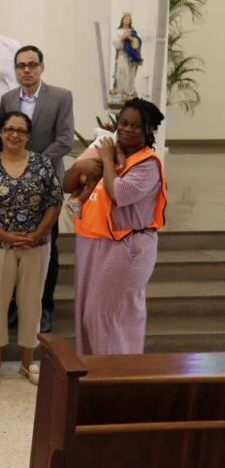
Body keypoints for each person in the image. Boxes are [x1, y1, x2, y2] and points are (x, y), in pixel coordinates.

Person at [65, 99, 166, 356]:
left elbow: (119, 193)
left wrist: (108, 160)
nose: (127, 129)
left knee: (106, 315)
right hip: (94, 240)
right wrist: (81, 165)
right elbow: (68, 184)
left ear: (148, 130)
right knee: (87, 314)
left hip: (127, 246)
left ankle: (116, 380)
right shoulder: (104, 150)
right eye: (123, 123)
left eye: (135, 126)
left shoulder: (148, 163)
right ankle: (91, 375)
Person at [0, 112, 62, 386]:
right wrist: (5, 235)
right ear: (0, 132)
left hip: (36, 245)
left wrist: (35, 235)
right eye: (9, 129)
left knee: (31, 302)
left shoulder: (43, 164)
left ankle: (28, 362)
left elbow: (54, 203)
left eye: (20, 131)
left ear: (28, 136)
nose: (14, 134)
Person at [0, 45, 74, 333]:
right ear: (15, 70)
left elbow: (65, 139)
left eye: (32, 65)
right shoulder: (6, 99)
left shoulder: (61, 97)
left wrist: (33, 165)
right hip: (11, 184)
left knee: (46, 247)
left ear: (41, 67)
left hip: (45, 183)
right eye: (21, 66)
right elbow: (5, 137)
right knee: (15, 246)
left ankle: (44, 308)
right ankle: (16, 307)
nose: (26, 70)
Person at [113, 13, 143, 98]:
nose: (127, 20)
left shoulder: (132, 31)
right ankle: (121, 92)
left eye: (129, 19)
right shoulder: (118, 31)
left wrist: (131, 38)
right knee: (121, 72)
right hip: (122, 53)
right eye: (126, 18)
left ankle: (129, 92)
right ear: (122, 20)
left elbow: (138, 42)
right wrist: (123, 38)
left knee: (130, 74)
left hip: (131, 55)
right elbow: (116, 43)